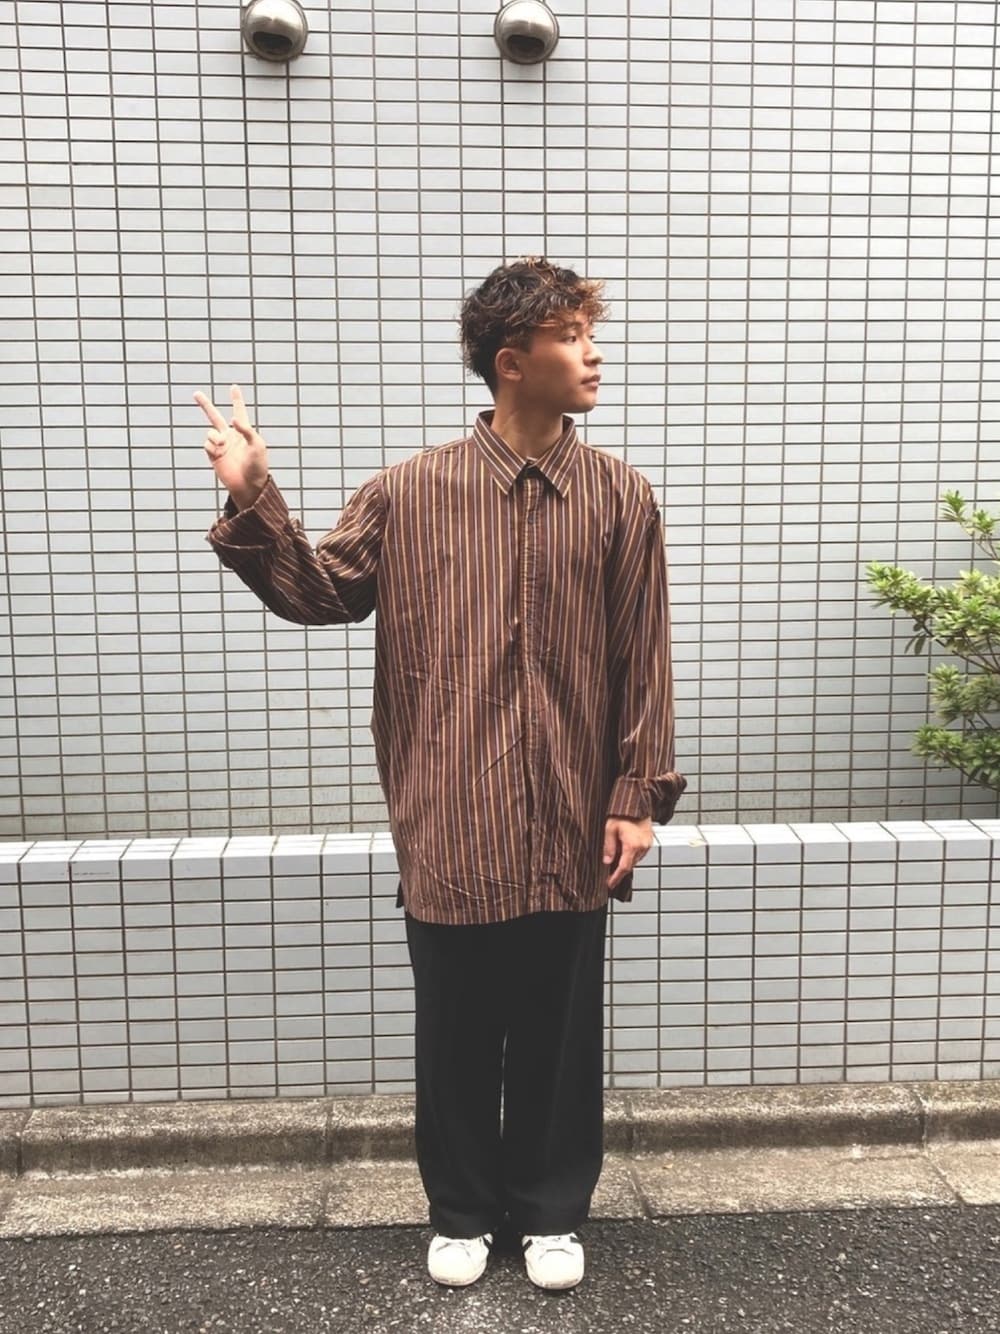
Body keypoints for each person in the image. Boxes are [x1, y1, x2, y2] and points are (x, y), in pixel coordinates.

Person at [196, 256, 687, 1292]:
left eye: (589, 332)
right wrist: (254, 498)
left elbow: (642, 655)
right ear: (512, 361)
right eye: (570, 335)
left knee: (559, 1029)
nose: (594, 353)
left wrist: (636, 795)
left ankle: (551, 1210)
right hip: (449, 809)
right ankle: (462, 1209)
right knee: (456, 1028)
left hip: (572, 813)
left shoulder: (619, 495)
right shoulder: (410, 491)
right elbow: (323, 593)